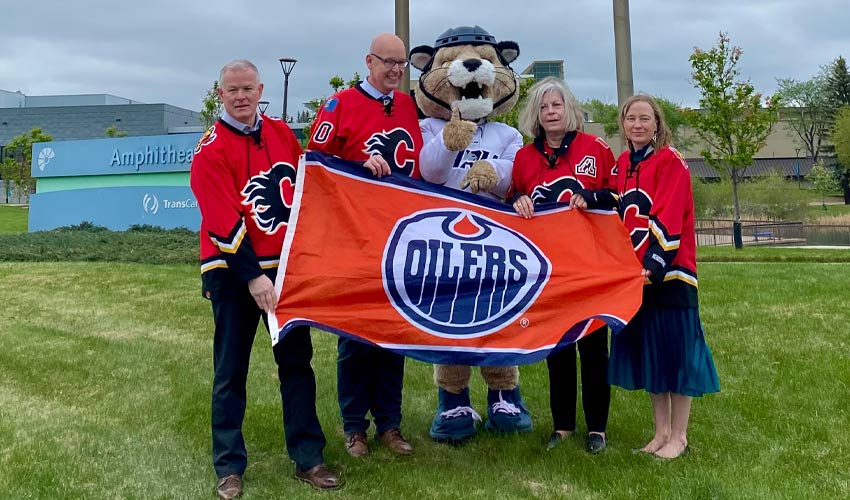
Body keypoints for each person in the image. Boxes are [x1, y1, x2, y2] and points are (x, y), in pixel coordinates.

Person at [190, 60, 339, 497]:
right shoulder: (209, 149)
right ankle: (229, 466)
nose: (241, 97)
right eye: (232, 90)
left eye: (248, 89)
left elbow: (306, 190)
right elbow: (222, 225)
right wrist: (254, 278)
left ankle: (309, 458)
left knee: (296, 366)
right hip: (232, 272)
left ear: (260, 90)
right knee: (230, 371)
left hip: (284, 271)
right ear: (221, 95)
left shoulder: (279, 133)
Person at [307, 33, 422, 457]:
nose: (395, 70)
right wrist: (356, 167)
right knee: (355, 333)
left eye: (401, 63)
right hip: (354, 237)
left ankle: (390, 424)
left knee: (395, 331)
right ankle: (354, 426)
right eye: (388, 62)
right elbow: (314, 164)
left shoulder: (409, 106)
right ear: (369, 61)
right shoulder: (339, 105)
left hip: (398, 236)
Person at [606, 93, 720, 459]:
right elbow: (611, 204)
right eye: (630, 118)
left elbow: (670, 217)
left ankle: (681, 437)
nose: (637, 125)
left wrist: (653, 266)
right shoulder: (623, 163)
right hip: (635, 276)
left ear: (657, 124)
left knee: (677, 355)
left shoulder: (671, 162)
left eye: (644, 118)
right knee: (653, 354)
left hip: (671, 276)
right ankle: (661, 433)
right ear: (623, 125)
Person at [508, 76, 617, 454]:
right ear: (535, 115)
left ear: (568, 108)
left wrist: (594, 195)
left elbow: (618, 195)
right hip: (549, 271)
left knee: (592, 347)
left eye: (556, 105)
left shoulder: (595, 148)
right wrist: (519, 199)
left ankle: (597, 428)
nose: (551, 112)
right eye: (543, 107)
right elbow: (511, 203)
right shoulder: (524, 157)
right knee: (557, 349)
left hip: (590, 266)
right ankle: (564, 425)